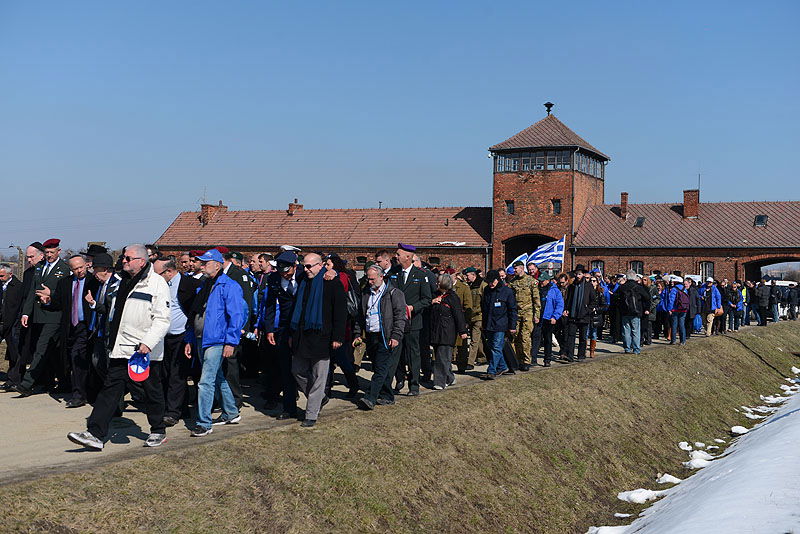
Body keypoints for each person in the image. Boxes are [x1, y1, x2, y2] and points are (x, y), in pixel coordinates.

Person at [67, 244, 171, 450]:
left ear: (142, 261)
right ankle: (95, 434)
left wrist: (148, 343)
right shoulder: (121, 282)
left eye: (128, 258)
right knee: (110, 390)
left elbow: (162, 319)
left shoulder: (156, 284)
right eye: (123, 258)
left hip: (143, 352)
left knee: (151, 391)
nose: (123, 261)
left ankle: (158, 430)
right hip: (120, 348)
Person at [183, 249, 245, 437]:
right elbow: (196, 314)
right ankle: (231, 413)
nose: (201, 265)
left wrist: (231, 342)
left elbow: (236, 315)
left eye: (205, 263)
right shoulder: (204, 286)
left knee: (205, 381)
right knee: (217, 377)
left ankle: (204, 423)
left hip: (217, 340)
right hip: (203, 338)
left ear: (217, 265)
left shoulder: (229, 286)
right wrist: (190, 339)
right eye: (201, 262)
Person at [290, 253, 346, 427]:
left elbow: (340, 312)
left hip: (322, 335)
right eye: (304, 266)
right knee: (297, 370)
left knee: (319, 376)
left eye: (309, 266)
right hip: (302, 334)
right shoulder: (303, 280)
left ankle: (311, 414)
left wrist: (338, 336)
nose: (306, 270)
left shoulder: (331, 283)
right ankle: (320, 397)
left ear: (321, 265)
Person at [15, 238, 71, 396]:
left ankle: (26, 384)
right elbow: (32, 292)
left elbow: (64, 294)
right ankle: (62, 382)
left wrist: (50, 295)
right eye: (46, 253)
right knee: (51, 352)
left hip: (54, 315)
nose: (49, 255)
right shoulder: (39, 268)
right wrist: (26, 313)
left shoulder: (64, 269)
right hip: (39, 316)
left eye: (52, 252)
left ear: (58, 251)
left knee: (41, 348)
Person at [44, 255, 99, 407]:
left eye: (81, 267)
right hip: (70, 327)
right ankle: (80, 390)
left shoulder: (93, 282)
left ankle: (79, 395)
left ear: (86, 265)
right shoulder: (65, 283)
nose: (79, 271)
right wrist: (48, 301)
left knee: (77, 357)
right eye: (75, 269)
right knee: (72, 359)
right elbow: (59, 303)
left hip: (87, 326)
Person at [353, 264, 407, 410]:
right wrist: (357, 334)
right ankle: (388, 396)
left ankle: (370, 397)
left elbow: (400, 317)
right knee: (378, 366)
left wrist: (396, 336)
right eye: (368, 279)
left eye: (372, 279)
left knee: (381, 369)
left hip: (386, 336)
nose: (370, 282)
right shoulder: (366, 293)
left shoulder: (394, 293)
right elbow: (360, 316)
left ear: (381, 276)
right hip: (371, 336)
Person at [153, 258, 199, 427]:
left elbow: (195, 310)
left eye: (157, 274)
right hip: (163, 335)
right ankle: (180, 407)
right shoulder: (158, 285)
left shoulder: (190, 284)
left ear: (169, 272)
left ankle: (173, 412)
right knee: (164, 373)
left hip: (182, 335)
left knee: (177, 375)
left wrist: (190, 334)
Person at [259, 250, 303, 419]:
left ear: (294, 266)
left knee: (304, 368)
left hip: (302, 327)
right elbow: (269, 305)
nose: (284, 274)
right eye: (281, 271)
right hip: (283, 328)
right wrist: (269, 328)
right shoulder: (274, 278)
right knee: (285, 368)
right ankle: (289, 407)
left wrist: (331, 271)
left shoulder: (303, 276)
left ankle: (318, 396)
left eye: (287, 271)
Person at [387, 244, 431, 396]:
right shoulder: (394, 273)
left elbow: (427, 299)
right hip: (396, 322)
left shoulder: (420, 274)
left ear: (408, 257)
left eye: (398, 254)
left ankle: (414, 385)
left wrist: (413, 307)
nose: (396, 257)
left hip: (413, 322)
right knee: (395, 353)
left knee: (413, 354)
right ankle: (396, 381)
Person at [83, 252, 121, 403]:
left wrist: (93, 304)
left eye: (96, 270)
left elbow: (110, 308)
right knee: (97, 361)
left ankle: (115, 401)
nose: (94, 274)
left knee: (110, 367)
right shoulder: (102, 285)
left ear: (105, 269)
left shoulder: (116, 283)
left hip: (110, 332)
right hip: (100, 331)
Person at [323, 254, 360, 398]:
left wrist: (335, 275)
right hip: (330, 323)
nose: (326, 267)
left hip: (342, 324)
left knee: (341, 358)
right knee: (329, 359)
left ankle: (353, 384)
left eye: (329, 264)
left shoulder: (343, 277)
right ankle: (327, 389)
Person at [428, 274, 468, 389]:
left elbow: (458, 315)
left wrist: (462, 331)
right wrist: (433, 302)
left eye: (438, 282)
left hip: (447, 332)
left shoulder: (453, 298)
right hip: (436, 331)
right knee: (441, 357)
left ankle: (439, 382)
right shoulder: (435, 296)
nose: (436, 283)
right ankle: (450, 377)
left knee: (442, 358)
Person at [480, 270, 517, 379]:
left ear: (498, 279)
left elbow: (512, 310)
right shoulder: (487, 290)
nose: (491, 284)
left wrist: (512, 326)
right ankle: (502, 366)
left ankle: (491, 370)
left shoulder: (507, 292)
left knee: (496, 347)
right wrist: (484, 323)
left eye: (492, 282)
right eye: (489, 282)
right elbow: (484, 308)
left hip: (501, 324)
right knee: (492, 346)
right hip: (489, 324)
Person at [508, 260, 540, 371]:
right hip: (516, 313)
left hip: (528, 313)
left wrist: (537, 315)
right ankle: (517, 360)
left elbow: (536, 299)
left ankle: (527, 361)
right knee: (515, 337)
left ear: (521, 268)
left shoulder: (531, 281)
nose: (514, 270)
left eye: (515, 268)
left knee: (525, 338)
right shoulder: (513, 282)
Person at [614, 270, 651, 354]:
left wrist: (620, 306)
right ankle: (636, 349)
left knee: (626, 331)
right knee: (635, 331)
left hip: (625, 311)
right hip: (636, 311)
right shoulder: (638, 287)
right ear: (635, 277)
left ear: (626, 277)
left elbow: (615, 297)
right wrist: (645, 307)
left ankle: (627, 348)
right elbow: (647, 297)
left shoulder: (622, 287)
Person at [562, 265, 591, 362]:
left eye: (580, 274)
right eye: (577, 274)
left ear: (583, 274)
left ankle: (581, 355)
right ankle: (570, 355)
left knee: (582, 337)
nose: (578, 276)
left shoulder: (588, 286)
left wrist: (588, 310)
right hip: (573, 315)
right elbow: (568, 300)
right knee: (571, 336)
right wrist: (566, 309)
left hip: (584, 315)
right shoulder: (572, 286)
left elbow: (593, 301)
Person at [0, 265, 23, 386]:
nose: (0, 278)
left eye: (2, 276)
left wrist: (17, 322)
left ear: (10, 274)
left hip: (13, 323)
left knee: (14, 352)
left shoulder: (18, 287)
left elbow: (19, 306)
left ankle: (13, 379)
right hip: (1, 322)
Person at [459, 267, 486, 372]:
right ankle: (482, 357)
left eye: (468, 276)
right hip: (469, 316)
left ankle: (470, 362)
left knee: (474, 340)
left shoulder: (482, 285)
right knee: (477, 339)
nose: (466, 278)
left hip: (479, 316)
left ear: (473, 275)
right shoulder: (468, 286)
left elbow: (485, 301)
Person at [536, 272, 563, 367]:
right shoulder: (537, 289)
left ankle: (547, 359)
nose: (541, 282)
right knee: (537, 339)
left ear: (548, 280)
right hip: (539, 317)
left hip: (549, 318)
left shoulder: (555, 290)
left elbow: (559, 304)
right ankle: (533, 358)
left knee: (547, 339)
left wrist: (555, 316)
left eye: (542, 281)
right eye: (540, 281)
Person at [586, 274, 607, 358]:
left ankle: (592, 351)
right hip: (587, 314)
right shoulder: (586, 291)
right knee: (585, 333)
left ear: (597, 283)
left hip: (595, 316)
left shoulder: (600, 293)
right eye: (591, 281)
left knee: (594, 333)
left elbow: (604, 305)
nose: (592, 282)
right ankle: (584, 350)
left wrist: (596, 309)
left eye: (594, 281)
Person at [666, 277, 689, 346]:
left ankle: (673, 340)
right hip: (683, 309)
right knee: (682, 325)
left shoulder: (674, 289)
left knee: (674, 325)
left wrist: (669, 309)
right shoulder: (685, 289)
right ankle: (683, 341)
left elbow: (671, 300)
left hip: (675, 309)